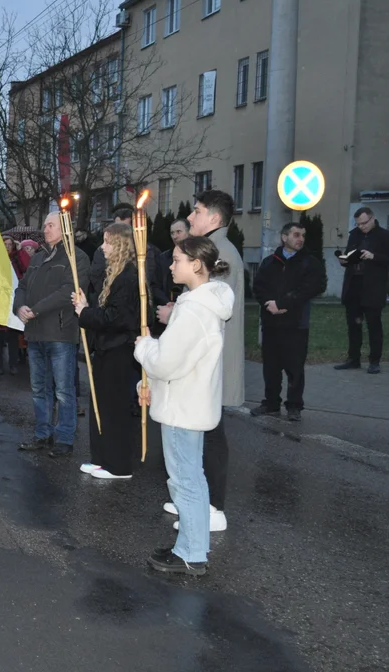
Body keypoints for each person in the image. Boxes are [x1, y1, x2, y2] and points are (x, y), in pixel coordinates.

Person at [135, 236, 234, 577]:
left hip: (182, 407)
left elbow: (165, 362)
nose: (171, 264)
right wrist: (145, 382)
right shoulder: (202, 304)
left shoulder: (194, 310)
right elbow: (182, 363)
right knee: (192, 478)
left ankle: (191, 553)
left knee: (184, 481)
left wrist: (145, 347)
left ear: (195, 264)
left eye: (176, 259)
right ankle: (192, 545)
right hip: (188, 401)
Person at [159, 189, 243, 532]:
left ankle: (211, 506)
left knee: (210, 434)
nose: (190, 217)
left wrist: (176, 312)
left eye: (196, 211)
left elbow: (208, 304)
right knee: (204, 432)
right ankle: (197, 499)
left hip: (208, 360)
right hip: (207, 357)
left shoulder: (218, 251)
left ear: (214, 218)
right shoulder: (214, 247)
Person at [15, 212, 90, 458]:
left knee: (63, 390)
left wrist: (35, 310)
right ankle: (42, 434)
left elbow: (69, 291)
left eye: (51, 225)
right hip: (35, 334)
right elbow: (23, 286)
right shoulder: (38, 257)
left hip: (59, 332)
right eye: (45, 224)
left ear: (64, 228)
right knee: (39, 389)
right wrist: (20, 307)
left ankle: (64, 438)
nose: (45, 229)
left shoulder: (76, 257)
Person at [72, 223, 140, 479]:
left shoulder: (127, 277)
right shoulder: (115, 274)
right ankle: (101, 458)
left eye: (108, 242)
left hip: (118, 350)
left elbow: (117, 318)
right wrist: (87, 306)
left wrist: (85, 313)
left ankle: (118, 464)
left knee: (113, 408)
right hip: (106, 348)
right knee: (100, 405)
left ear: (121, 245)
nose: (102, 246)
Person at [252, 222, 327, 421]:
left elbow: (311, 288)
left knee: (295, 368)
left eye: (302, 235)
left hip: (296, 324)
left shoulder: (310, 263)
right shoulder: (270, 262)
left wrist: (283, 303)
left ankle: (294, 406)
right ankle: (271, 403)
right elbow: (258, 287)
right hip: (271, 323)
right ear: (284, 237)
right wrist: (269, 304)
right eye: (295, 234)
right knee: (271, 367)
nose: (300, 238)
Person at [335, 206, 389, 374]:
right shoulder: (354, 235)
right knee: (353, 324)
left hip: (373, 287)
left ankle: (374, 361)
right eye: (358, 224)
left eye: (364, 223)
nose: (361, 226)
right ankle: (353, 359)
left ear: (372, 219)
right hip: (354, 285)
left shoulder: (384, 236)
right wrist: (344, 260)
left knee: (374, 325)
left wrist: (374, 256)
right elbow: (349, 254)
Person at [161, 218, 190, 300]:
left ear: (189, 232)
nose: (174, 236)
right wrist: (167, 303)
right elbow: (156, 285)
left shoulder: (199, 255)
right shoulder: (163, 258)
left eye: (179, 232)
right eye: (172, 233)